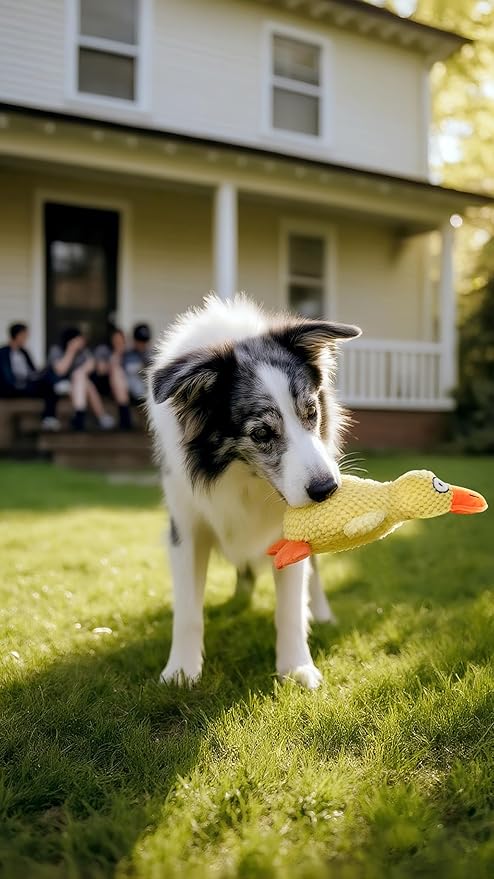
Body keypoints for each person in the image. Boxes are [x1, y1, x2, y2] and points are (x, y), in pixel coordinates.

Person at [48, 328, 115, 431]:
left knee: (81, 378)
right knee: (83, 380)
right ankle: (101, 416)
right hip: (60, 386)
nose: (83, 341)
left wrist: (79, 373)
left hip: (80, 386)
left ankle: (79, 415)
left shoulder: (84, 352)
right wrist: (70, 351)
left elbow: (91, 367)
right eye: (79, 339)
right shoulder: (57, 349)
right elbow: (61, 370)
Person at [0, 322, 60, 430]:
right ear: (18, 335)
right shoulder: (3, 352)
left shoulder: (24, 352)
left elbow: (32, 371)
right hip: (12, 387)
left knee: (48, 383)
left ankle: (49, 418)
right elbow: (6, 375)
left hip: (27, 384)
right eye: (25, 335)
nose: (26, 338)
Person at [93, 327, 133, 430]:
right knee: (116, 370)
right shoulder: (103, 350)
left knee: (118, 373)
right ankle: (125, 416)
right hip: (104, 384)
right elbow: (100, 370)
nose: (119, 342)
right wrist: (117, 354)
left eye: (121, 340)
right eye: (116, 340)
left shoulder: (130, 353)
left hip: (127, 386)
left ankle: (125, 416)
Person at [123, 323, 152, 401]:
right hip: (131, 393)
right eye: (140, 341)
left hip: (148, 394)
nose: (142, 344)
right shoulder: (127, 355)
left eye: (144, 341)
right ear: (134, 340)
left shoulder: (152, 355)